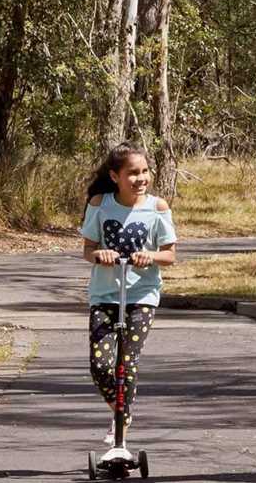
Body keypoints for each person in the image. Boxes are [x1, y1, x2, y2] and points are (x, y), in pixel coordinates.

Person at [80, 141, 177, 446]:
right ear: (115, 176)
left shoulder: (157, 207)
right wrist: (101, 255)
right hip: (105, 294)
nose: (141, 178)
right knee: (101, 365)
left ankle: (119, 422)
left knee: (127, 360)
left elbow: (170, 255)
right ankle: (122, 412)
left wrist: (150, 256)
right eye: (132, 173)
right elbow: (88, 250)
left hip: (142, 295)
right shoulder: (100, 203)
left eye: (145, 171)